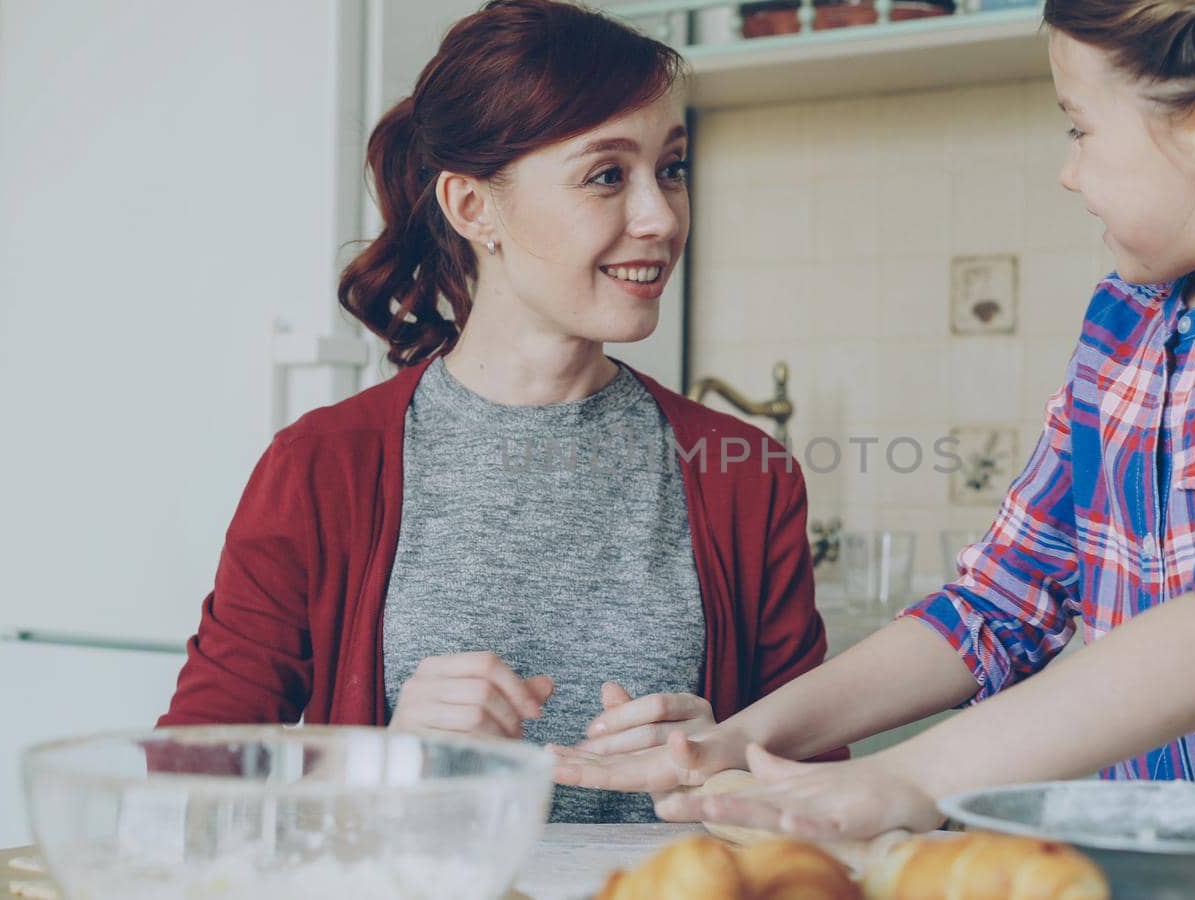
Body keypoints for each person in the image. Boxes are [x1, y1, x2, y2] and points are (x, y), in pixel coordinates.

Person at [551, 0, 1195, 891]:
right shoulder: (1125, 321)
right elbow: (1001, 599)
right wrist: (745, 736)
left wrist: (907, 777)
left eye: (1078, 127)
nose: (1067, 169)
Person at [159, 0, 839, 824]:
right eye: (606, 175)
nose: (661, 218)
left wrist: (732, 763)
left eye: (671, 168)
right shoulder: (322, 466)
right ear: (473, 207)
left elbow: (820, 799)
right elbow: (182, 799)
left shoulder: (745, 475)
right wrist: (379, 764)